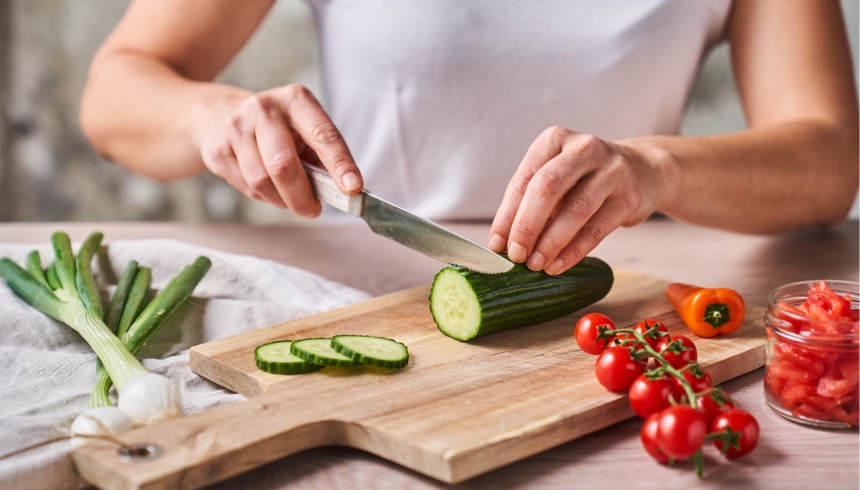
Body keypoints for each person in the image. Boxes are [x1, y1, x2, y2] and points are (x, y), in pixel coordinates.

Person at [79, 0, 858, 275]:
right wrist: (210, 114)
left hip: (621, 296)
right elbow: (114, 93)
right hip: (363, 287)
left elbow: (827, 158)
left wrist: (655, 168)